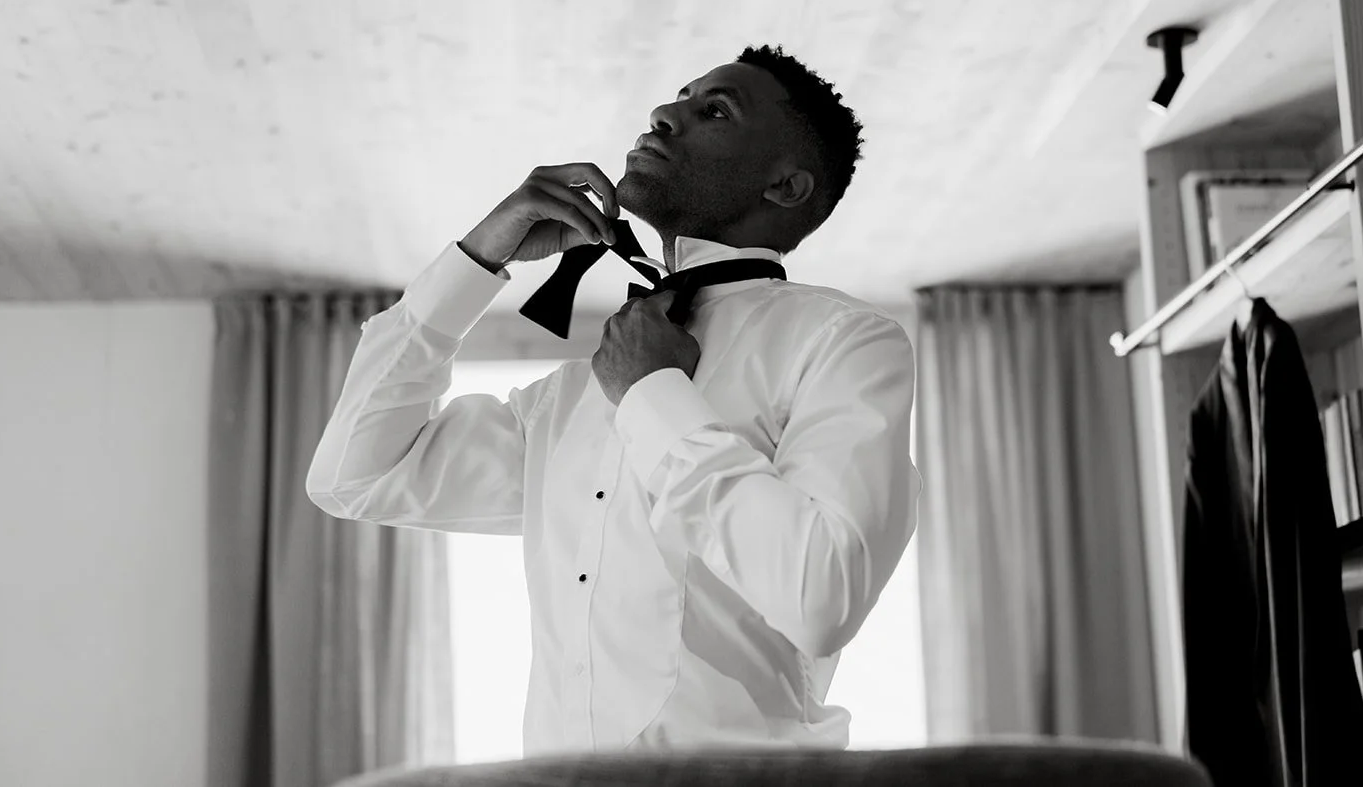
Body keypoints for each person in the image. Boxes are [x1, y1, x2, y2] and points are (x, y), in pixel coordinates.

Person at [306, 44, 920, 756]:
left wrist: (654, 395)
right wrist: (478, 257)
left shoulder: (843, 341)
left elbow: (823, 596)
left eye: (715, 110)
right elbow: (353, 476)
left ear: (785, 186)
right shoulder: (569, 397)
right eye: (679, 97)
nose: (662, 114)